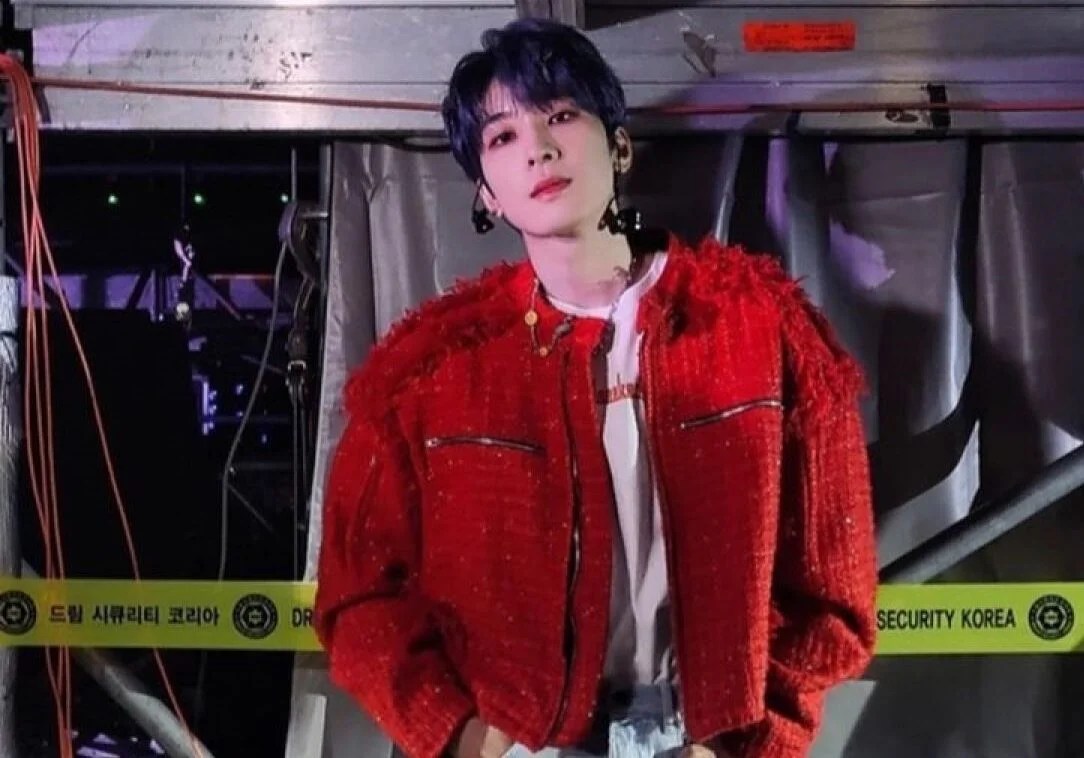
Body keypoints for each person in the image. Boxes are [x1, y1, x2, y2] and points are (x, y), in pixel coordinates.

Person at [314, 17, 878, 758]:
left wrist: (756, 739)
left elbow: (835, 592)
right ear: (486, 194)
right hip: (518, 742)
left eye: (559, 116)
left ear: (618, 146)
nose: (538, 149)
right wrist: (462, 734)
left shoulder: (761, 329)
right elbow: (356, 594)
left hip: (704, 739)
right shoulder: (432, 370)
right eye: (502, 137)